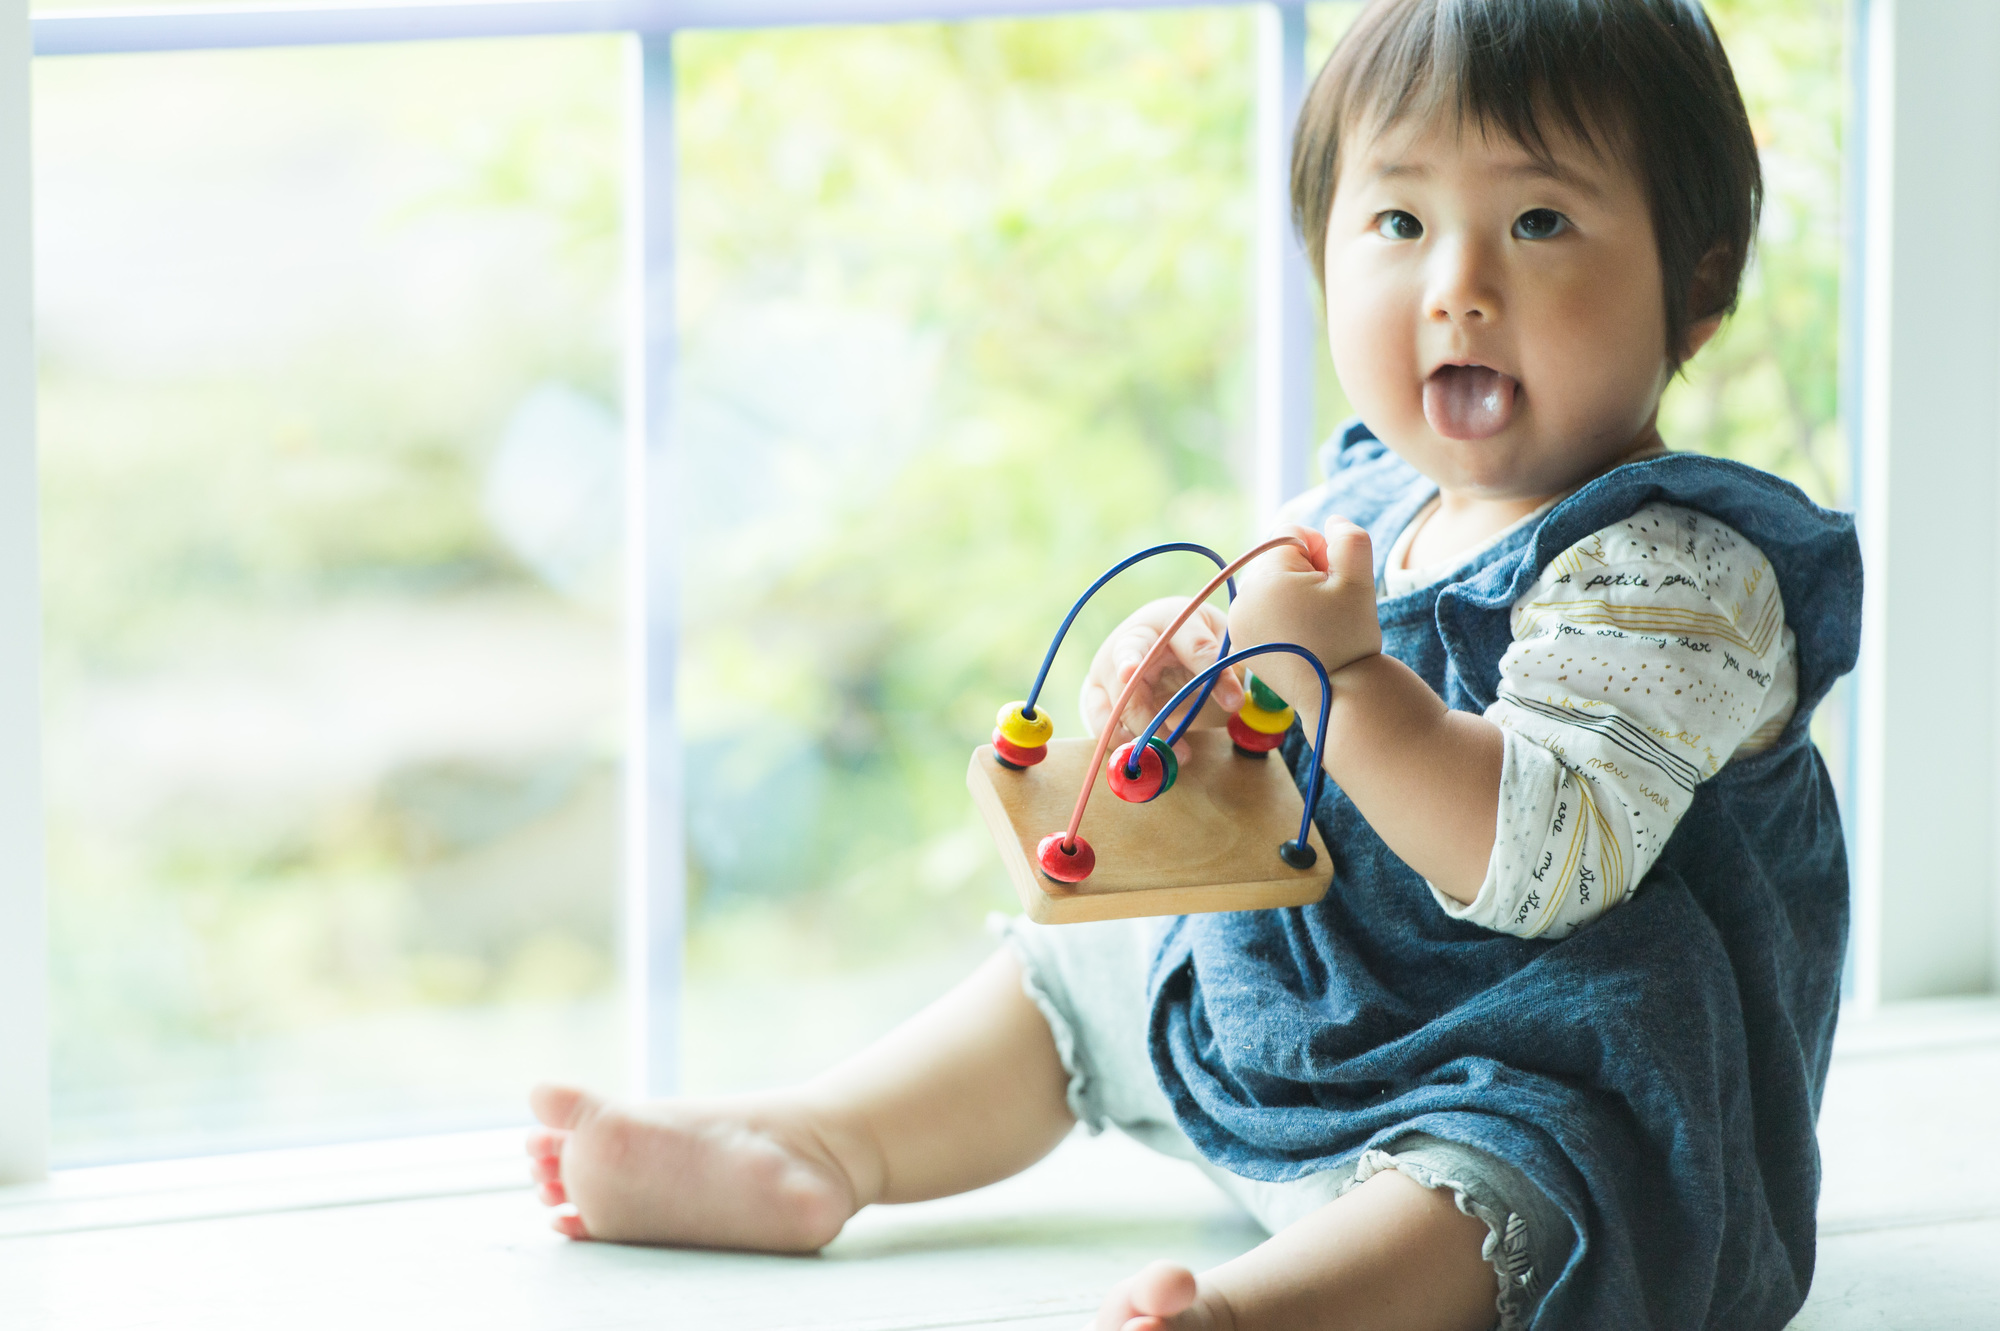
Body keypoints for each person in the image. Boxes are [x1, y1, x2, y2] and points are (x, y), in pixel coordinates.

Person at [525, 1, 1861, 1325]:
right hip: (1326, 1009)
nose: (1458, 281)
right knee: (1090, 965)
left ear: (1696, 285)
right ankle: (826, 1144)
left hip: (1556, 1058)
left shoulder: (1680, 576)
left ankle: (1256, 1313)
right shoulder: (1369, 507)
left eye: (1538, 221)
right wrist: (1182, 693)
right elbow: (1268, 723)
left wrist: (1354, 686)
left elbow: (1539, 857)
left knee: (1520, 1188)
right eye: (1399, 223)